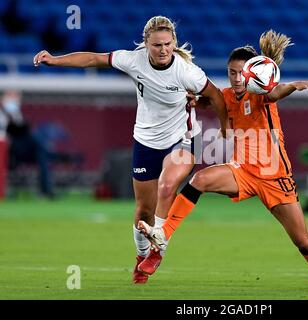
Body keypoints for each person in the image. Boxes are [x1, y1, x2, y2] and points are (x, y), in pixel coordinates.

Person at [33, 16, 229, 284]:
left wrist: (225, 127)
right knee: (142, 213)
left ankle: (159, 249)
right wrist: (55, 60)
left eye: (168, 44)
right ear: (146, 43)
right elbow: (93, 59)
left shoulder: (187, 72)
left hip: (184, 138)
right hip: (147, 141)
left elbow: (217, 96)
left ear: (174, 43)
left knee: (167, 186)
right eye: (157, 44)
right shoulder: (132, 60)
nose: (163, 50)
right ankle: (141, 255)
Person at [138, 30, 308, 288]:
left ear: (253, 73)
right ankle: (163, 237)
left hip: (275, 176)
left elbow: (276, 93)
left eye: (241, 72)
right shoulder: (228, 95)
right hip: (242, 171)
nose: (237, 78)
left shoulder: (262, 94)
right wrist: (194, 100)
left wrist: (295, 86)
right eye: (232, 72)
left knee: (302, 241)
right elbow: (211, 101)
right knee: (200, 179)